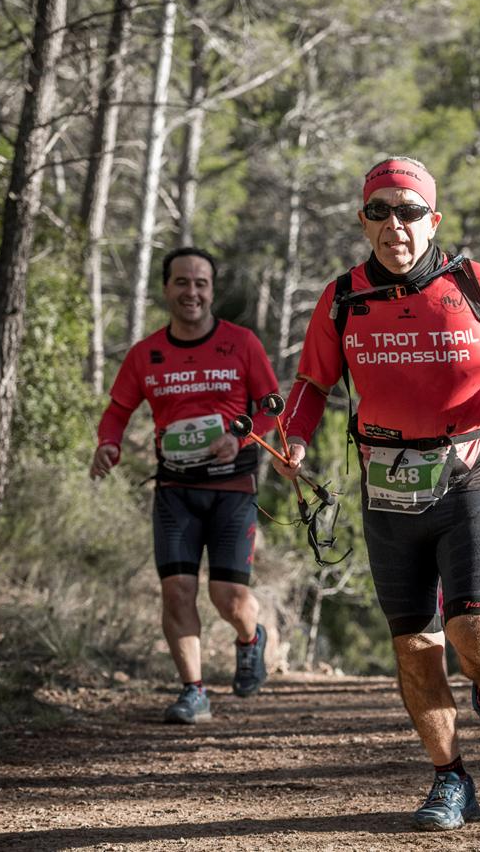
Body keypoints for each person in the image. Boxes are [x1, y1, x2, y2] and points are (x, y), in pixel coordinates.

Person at [273, 156, 480, 831]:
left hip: (468, 472)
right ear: (363, 221)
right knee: (416, 647)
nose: (396, 225)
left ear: (434, 219)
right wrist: (294, 438)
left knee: (476, 630)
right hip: (387, 489)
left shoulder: (475, 284)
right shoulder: (343, 299)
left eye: (410, 211)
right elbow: (311, 384)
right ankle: (450, 779)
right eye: (380, 211)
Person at [90, 247, 279, 723]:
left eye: (201, 283)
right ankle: (193, 691)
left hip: (232, 488)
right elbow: (117, 411)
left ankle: (250, 637)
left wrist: (238, 439)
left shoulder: (241, 343)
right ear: (166, 288)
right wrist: (108, 445)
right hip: (175, 489)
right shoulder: (146, 353)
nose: (191, 292)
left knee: (228, 599)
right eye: (182, 282)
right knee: (176, 590)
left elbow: (270, 407)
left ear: (211, 291)